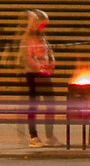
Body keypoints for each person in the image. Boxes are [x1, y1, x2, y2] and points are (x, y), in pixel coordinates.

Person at [9, 9, 57, 146]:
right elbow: (27, 58)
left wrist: (51, 63)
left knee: (51, 104)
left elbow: (49, 51)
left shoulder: (42, 37)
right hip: (33, 74)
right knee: (33, 105)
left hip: (44, 74)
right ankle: (33, 136)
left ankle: (49, 135)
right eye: (41, 24)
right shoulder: (27, 38)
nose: (42, 27)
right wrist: (40, 67)